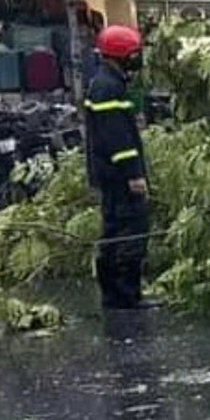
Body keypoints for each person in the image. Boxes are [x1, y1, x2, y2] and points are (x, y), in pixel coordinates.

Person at [84, 23, 151, 311]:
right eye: (134, 53)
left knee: (114, 230)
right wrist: (134, 175)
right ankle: (125, 295)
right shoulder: (108, 88)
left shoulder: (106, 83)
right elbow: (117, 138)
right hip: (119, 177)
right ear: (121, 55)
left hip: (110, 175)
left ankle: (116, 295)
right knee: (130, 232)